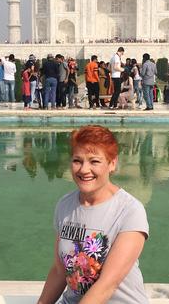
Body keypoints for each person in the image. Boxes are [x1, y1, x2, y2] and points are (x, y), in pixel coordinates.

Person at [38, 125, 149, 304]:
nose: (84, 169)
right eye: (77, 160)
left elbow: (107, 284)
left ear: (112, 163)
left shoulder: (130, 211)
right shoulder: (65, 205)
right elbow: (60, 271)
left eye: (94, 161)